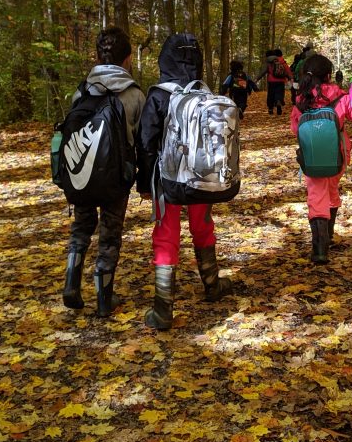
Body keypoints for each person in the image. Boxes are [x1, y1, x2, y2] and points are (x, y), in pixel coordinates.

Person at [136, 33, 233, 330]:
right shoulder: (204, 94)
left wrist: (143, 182)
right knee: (203, 227)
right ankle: (212, 286)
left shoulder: (158, 95)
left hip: (167, 182)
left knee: (166, 236)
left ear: (164, 60)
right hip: (201, 178)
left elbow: (145, 141)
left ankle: (163, 308)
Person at [61, 27, 146, 317]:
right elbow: (143, 141)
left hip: (80, 173)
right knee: (110, 234)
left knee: (81, 226)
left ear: (98, 56)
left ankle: (71, 282)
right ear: (128, 58)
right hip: (115, 178)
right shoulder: (134, 94)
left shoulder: (82, 90)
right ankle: (103, 297)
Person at [290, 53, 352, 264]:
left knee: (317, 194)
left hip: (312, 156)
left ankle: (320, 248)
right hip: (339, 155)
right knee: (332, 188)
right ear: (328, 75)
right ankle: (329, 235)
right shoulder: (342, 97)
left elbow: (295, 129)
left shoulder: (301, 101)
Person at [259, 48, 293, 115]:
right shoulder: (282, 61)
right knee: (280, 93)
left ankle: (270, 108)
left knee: (271, 94)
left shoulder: (269, 62)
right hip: (281, 81)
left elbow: (263, 72)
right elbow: (287, 70)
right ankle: (278, 102)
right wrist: (291, 78)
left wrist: (257, 79)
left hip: (271, 81)